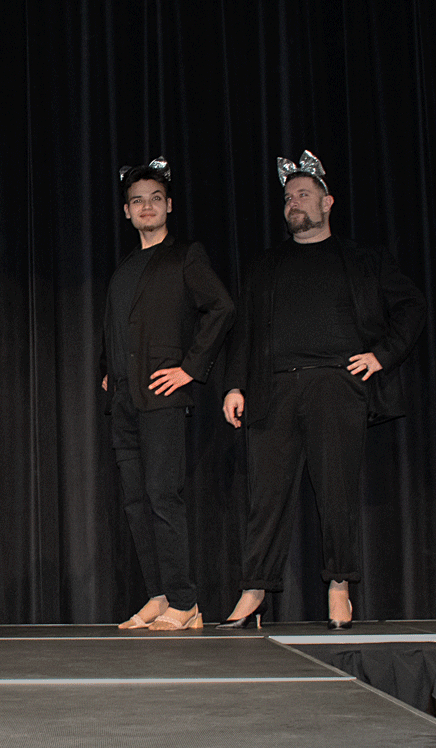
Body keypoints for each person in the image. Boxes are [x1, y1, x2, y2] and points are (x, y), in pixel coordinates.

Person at [219, 151, 425, 629]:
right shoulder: (266, 264)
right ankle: (254, 591)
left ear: (327, 202)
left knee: (336, 493)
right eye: (288, 198)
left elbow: (412, 306)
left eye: (303, 195)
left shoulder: (363, 259)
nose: (293, 203)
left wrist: (382, 355)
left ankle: (339, 586)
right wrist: (234, 385)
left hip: (335, 384)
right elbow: (244, 330)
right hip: (273, 389)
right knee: (266, 496)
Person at [100, 157, 234, 631]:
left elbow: (221, 308)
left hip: (161, 398)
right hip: (124, 401)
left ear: (169, 205)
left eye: (155, 199)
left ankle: (185, 601)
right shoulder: (124, 268)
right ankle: (158, 595)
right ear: (127, 211)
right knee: (136, 502)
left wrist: (190, 369)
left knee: (162, 497)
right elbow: (116, 326)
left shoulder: (185, 256)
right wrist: (106, 370)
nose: (147, 207)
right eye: (137, 201)